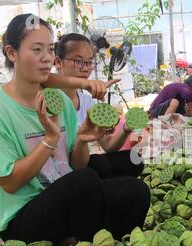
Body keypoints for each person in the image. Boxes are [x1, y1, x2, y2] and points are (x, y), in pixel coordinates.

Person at [0, 14, 150, 245]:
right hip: (21, 217)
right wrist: (50, 139)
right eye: (36, 50)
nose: (46, 58)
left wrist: (83, 140)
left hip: (62, 199)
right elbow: (10, 183)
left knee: (135, 191)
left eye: (50, 49)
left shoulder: (60, 101)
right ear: (11, 53)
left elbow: (77, 164)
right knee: (85, 180)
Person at [55, 33, 144, 178]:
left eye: (89, 62)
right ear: (58, 62)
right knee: (98, 165)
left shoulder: (87, 102)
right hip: (60, 172)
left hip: (82, 165)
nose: (85, 68)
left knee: (134, 160)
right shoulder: (48, 100)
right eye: (78, 61)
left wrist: (126, 129)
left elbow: (108, 146)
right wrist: (81, 139)